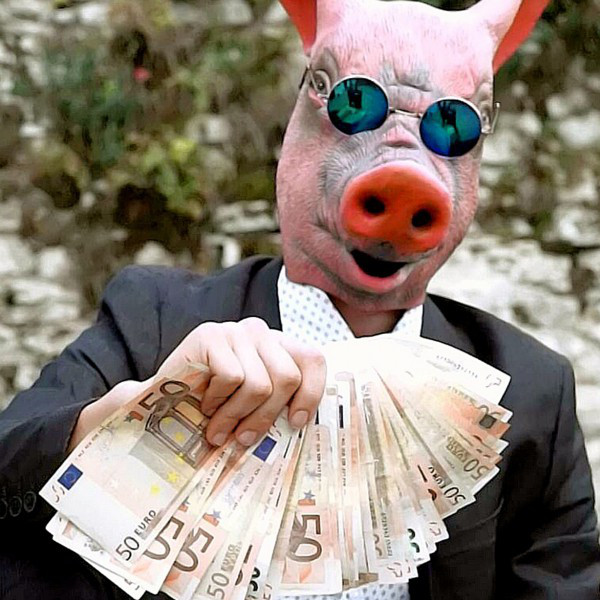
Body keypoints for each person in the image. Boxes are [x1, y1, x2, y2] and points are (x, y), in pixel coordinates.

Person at [1, 0, 599, 599]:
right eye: (355, 105)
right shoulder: (153, 320)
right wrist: (125, 420)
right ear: (296, 126)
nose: (403, 166)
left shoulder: (528, 391)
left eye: (452, 127)